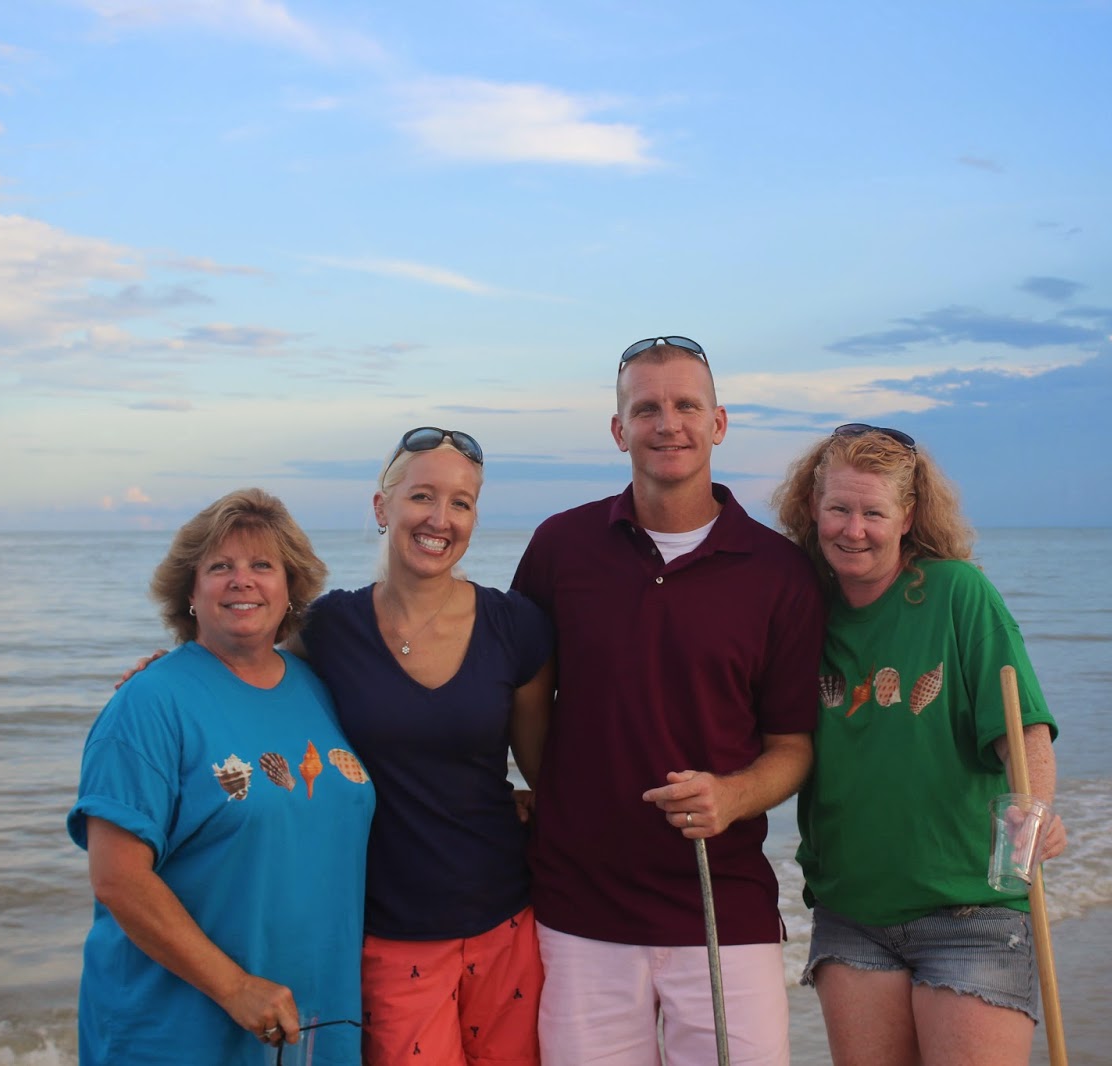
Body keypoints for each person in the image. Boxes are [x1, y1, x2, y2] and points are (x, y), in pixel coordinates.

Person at [511, 336, 826, 1065]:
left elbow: (793, 745)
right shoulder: (560, 546)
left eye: (687, 405)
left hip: (724, 907)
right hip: (579, 909)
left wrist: (734, 794)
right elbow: (526, 696)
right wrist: (556, 792)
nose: (668, 424)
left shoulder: (779, 571)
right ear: (619, 429)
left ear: (719, 423)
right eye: (646, 408)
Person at [770, 424, 1068, 1066]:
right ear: (813, 508)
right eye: (839, 509)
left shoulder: (958, 593)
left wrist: (1034, 808)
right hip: (851, 912)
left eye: (874, 513)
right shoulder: (801, 608)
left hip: (971, 911)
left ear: (907, 516)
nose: (854, 530)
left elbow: (1023, 733)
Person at [69, 488, 374, 1066]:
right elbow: (117, 878)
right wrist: (234, 987)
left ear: (291, 588)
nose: (242, 581)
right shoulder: (148, 704)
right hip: (176, 1031)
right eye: (219, 567)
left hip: (313, 1020)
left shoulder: (320, 689)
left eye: (263, 565)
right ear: (190, 592)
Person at [294, 427, 554, 1066]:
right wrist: (173, 674)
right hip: (391, 931)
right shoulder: (329, 627)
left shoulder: (516, 624)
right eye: (422, 497)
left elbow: (548, 773)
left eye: (461, 502)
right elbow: (248, 688)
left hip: (507, 919)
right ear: (382, 508)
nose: (440, 519)